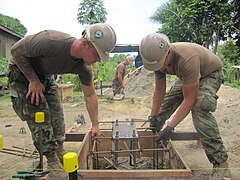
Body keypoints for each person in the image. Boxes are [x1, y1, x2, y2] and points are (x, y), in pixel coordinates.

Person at [8, 23, 116, 178]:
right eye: (97, 55)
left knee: (57, 113)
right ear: (86, 44)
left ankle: (58, 148)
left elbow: (90, 95)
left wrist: (95, 125)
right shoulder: (51, 41)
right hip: (22, 72)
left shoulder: (83, 67)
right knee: (40, 114)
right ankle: (51, 159)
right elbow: (15, 51)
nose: (97, 60)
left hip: (44, 76)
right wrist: (32, 79)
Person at [139, 33, 230, 178]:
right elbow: (159, 90)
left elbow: (190, 99)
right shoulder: (156, 58)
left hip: (210, 74)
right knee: (166, 104)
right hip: (188, 76)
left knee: (200, 107)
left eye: (160, 64)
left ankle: (220, 164)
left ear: (168, 52)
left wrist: (170, 127)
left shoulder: (187, 59)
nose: (159, 68)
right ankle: (153, 137)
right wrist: (153, 116)